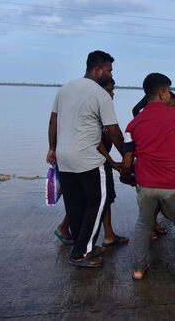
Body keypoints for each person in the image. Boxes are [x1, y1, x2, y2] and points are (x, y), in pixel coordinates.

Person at [46, 50, 125, 268]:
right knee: (97, 203)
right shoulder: (101, 94)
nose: (110, 74)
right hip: (89, 159)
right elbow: (114, 131)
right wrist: (127, 158)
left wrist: (52, 148)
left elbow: (53, 121)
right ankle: (80, 253)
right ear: (98, 69)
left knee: (76, 205)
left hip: (64, 157)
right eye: (109, 70)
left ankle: (83, 246)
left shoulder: (65, 89)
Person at [122, 73, 175, 283]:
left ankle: (139, 269)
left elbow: (128, 162)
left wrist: (126, 175)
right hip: (173, 184)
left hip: (146, 185)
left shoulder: (133, 124)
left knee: (143, 224)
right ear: (164, 92)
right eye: (168, 91)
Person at [54, 79, 129, 248]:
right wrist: (119, 161)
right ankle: (81, 238)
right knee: (97, 199)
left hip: (87, 159)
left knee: (98, 199)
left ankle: (104, 234)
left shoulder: (94, 106)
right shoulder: (98, 102)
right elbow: (102, 139)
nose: (113, 93)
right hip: (93, 161)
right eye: (110, 89)